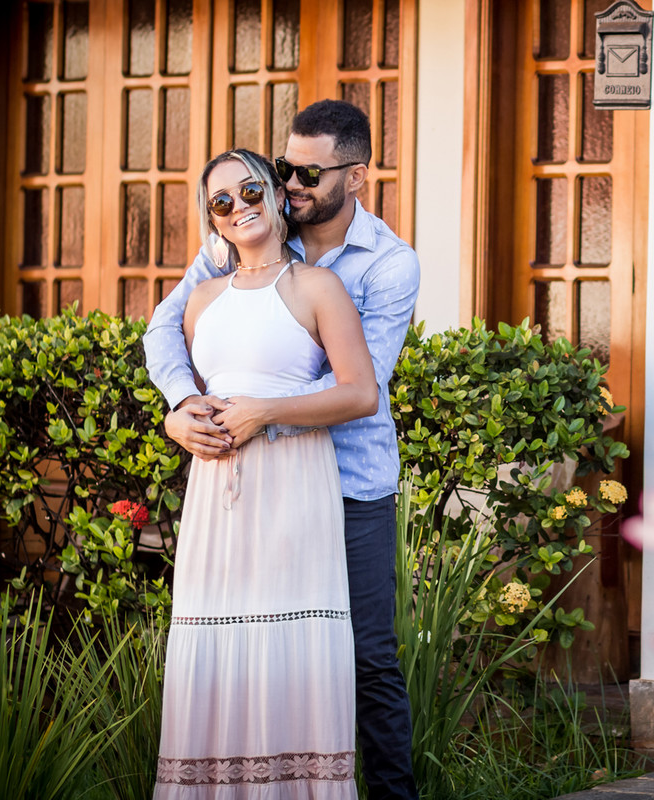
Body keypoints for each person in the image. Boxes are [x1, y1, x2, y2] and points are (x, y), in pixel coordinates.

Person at [144, 101, 420, 800]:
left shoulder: (388, 265)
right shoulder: (245, 228)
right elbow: (166, 329)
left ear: (355, 177)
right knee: (243, 645)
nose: (288, 183)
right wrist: (180, 406)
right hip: (242, 480)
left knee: (364, 657)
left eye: (304, 173)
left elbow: (361, 384)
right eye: (283, 166)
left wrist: (262, 411)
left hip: (347, 480)